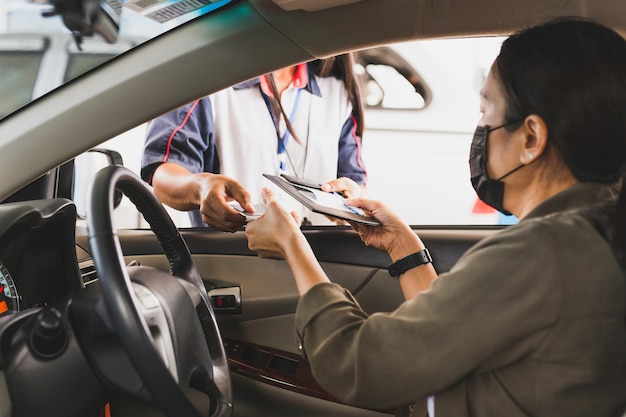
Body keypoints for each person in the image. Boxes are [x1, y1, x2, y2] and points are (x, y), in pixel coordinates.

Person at [245, 18, 626, 416]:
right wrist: (401, 244)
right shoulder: (594, 236)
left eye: (485, 112)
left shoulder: (541, 254)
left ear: (530, 138)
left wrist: (292, 244)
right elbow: (455, 332)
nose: (480, 130)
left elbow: (362, 366)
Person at [141, 54, 367, 231]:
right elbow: (163, 173)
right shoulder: (209, 79)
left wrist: (351, 200)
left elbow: (354, 183)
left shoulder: (339, 88)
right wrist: (202, 188)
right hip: (239, 260)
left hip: (318, 263)